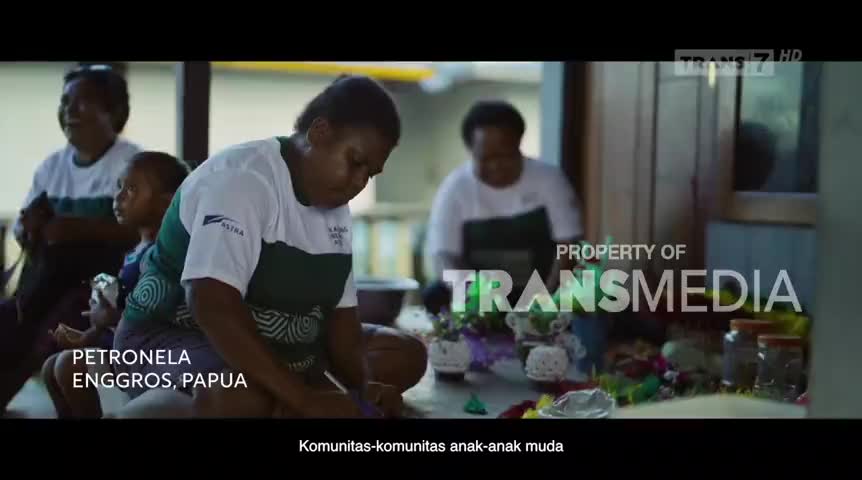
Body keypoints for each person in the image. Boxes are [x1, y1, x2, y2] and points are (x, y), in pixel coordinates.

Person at [110, 75, 427, 419]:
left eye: (371, 174)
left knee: (406, 354)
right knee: (243, 396)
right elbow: (210, 305)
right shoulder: (242, 180)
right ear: (320, 133)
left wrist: (365, 386)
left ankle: (288, 390)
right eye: (355, 162)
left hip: (278, 343)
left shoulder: (335, 206)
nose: (359, 182)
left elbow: (341, 321)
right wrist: (305, 400)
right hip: (170, 339)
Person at [0, 64, 140, 411]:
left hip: (104, 292)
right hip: (47, 286)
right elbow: (23, 229)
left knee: (53, 335)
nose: (68, 112)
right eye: (64, 103)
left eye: (82, 103)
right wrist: (26, 227)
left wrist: (78, 229)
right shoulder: (51, 167)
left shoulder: (133, 164)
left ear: (114, 112)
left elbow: (145, 229)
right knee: (7, 323)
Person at [40, 152, 188, 418]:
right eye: (119, 186)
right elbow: (116, 310)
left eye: (131, 189)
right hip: (122, 347)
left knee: (69, 367)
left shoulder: (167, 258)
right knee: (51, 367)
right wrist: (87, 336)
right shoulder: (136, 252)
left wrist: (110, 318)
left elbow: (160, 320)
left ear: (168, 204)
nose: (118, 197)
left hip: (153, 359)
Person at [423, 100, 583, 315]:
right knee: (434, 294)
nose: (496, 166)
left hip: (543, 288)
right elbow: (444, 256)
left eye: (506, 156)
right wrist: (473, 296)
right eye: (486, 158)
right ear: (471, 151)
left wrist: (545, 302)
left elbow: (569, 246)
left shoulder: (549, 179)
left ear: (519, 144)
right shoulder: (455, 189)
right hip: (482, 296)